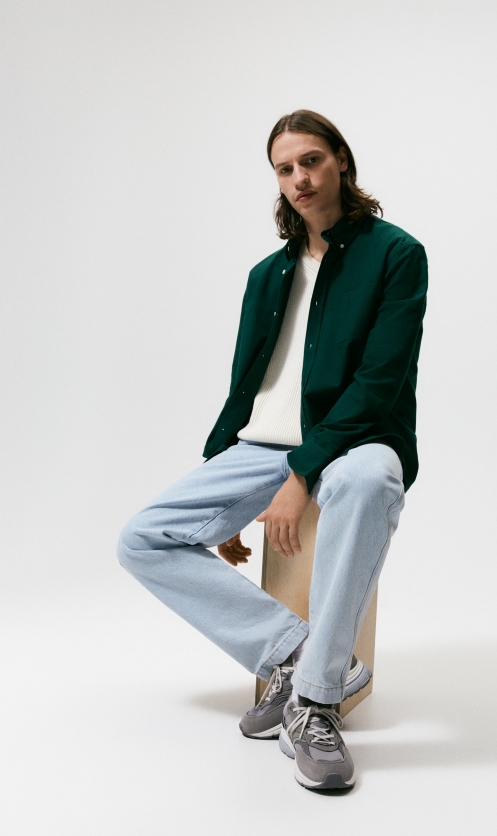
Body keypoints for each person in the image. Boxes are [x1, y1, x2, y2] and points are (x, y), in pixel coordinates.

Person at [117, 109, 428, 792]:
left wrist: (302, 473)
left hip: (358, 437)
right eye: (284, 169)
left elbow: (379, 382)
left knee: (368, 482)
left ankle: (315, 701)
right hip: (262, 443)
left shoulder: (396, 254)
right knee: (142, 539)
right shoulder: (267, 273)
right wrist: (220, 480)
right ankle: (297, 655)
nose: (299, 178)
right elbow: (247, 383)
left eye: (310, 161)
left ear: (341, 160)